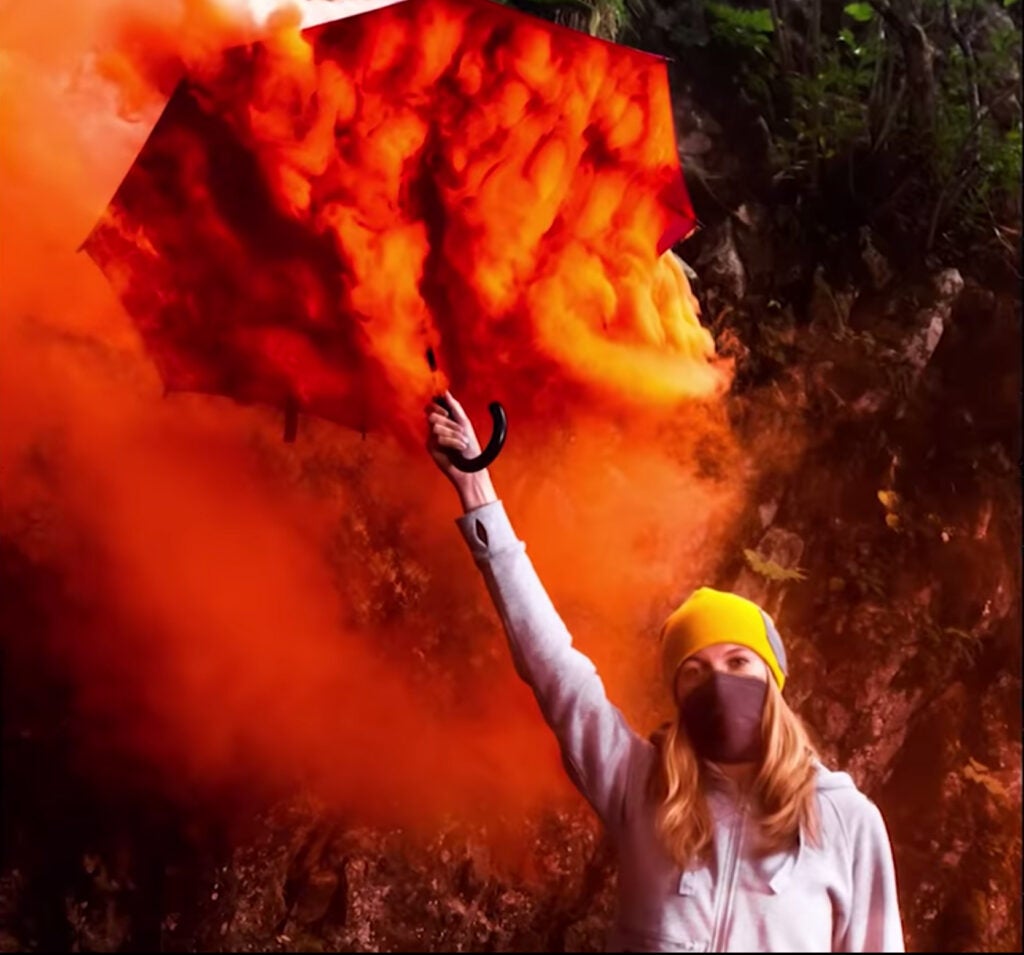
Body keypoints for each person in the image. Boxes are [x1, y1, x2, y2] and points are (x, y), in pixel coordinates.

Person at [425, 391, 906, 953]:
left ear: (773, 680)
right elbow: (555, 669)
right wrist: (477, 491)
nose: (718, 680)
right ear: (677, 694)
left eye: (737, 661)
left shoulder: (847, 821)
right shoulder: (643, 788)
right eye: (694, 671)